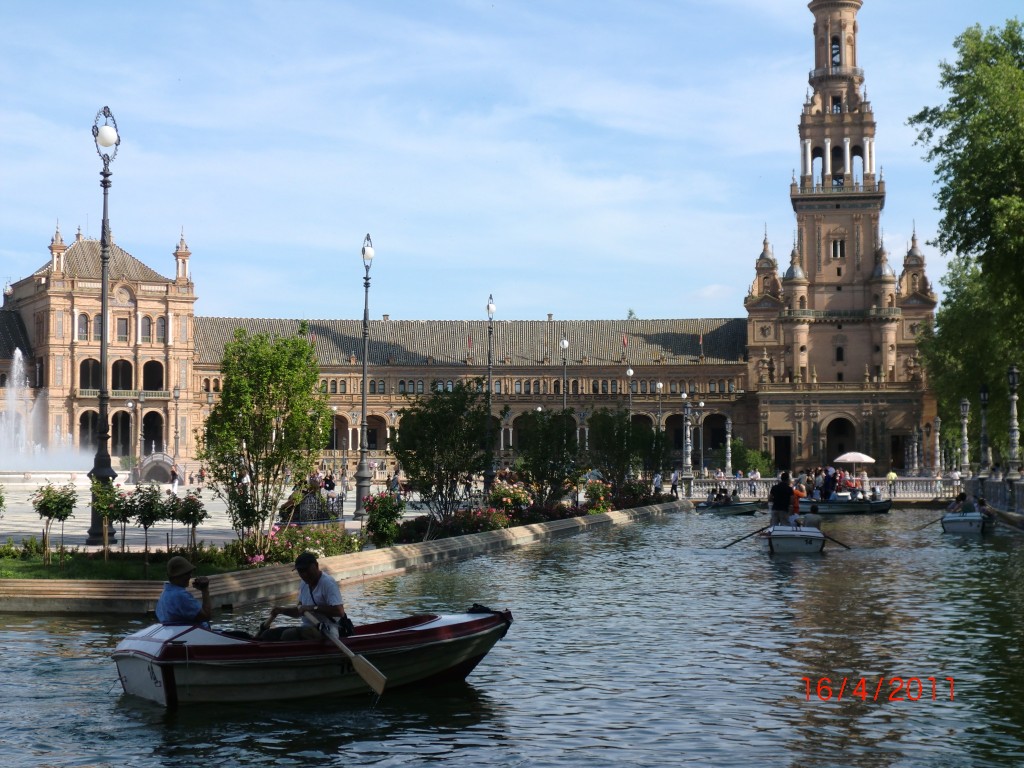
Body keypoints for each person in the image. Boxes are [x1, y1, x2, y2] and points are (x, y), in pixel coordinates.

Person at [259, 551, 353, 641]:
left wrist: (312, 608)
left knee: (289, 634)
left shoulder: (327, 583)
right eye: (300, 571)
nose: (304, 574)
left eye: (306, 570)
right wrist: (281, 610)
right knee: (267, 634)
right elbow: (300, 610)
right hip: (307, 628)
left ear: (316, 566)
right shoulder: (304, 583)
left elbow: (339, 611)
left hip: (328, 630)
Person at [155, 556, 211, 627]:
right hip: (195, 635)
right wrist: (205, 590)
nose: (190, 576)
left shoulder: (165, 594)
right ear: (178, 576)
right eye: (187, 573)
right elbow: (206, 616)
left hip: (175, 633)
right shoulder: (181, 595)